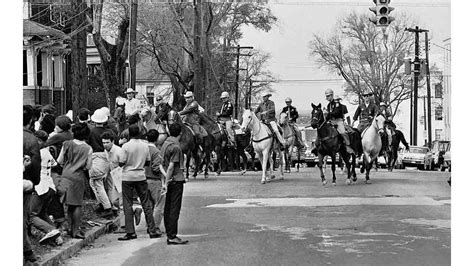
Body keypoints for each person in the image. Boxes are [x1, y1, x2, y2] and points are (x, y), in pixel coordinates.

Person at [118, 124, 161, 241]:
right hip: (141, 176)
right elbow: (148, 162)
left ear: (129, 134)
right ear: (139, 133)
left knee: (127, 204)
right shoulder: (145, 146)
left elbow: (121, 162)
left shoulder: (125, 146)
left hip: (127, 177)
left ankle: (130, 232)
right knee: (146, 203)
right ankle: (152, 230)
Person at [57, 123, 93, 239]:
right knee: (77, 204)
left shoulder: (67, 144)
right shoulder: (88, 148)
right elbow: (88, 166)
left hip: (66, 174)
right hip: (78, 176)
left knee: (68, 203)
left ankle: (69, 227)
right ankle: (76, 230)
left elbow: (59, 160)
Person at [30, 130, 62, 246]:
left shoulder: (38, 153)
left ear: (38, 140)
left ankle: (50, 230)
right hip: (50, 186)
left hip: (40, 187)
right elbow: (54, 164)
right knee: (42, 213)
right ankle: (56, 236)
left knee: (31, 215)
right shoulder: (47, 152)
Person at [161, 123, 188, 245]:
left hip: (168, 179)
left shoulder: (165, 143)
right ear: (181, 133)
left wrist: (164, 180)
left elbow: (162, 164)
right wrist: (167, 181)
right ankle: (172, 235)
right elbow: (171, 166)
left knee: (168, 207)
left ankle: (169, 233)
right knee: (174, 208)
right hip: (175, 179)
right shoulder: (176, 147)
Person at [87, 109, 117, 218]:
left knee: (96, 182)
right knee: (109, 183)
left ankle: (106, 206)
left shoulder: (92, 132)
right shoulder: (109, 132)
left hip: (97, 157)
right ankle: (113, 205)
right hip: (109, 157)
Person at [23, 105, 42, 263]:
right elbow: (35, 163)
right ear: (31, 120)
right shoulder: (30, 139)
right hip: (25, 182)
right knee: (23, 217)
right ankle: (28, 252)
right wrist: (35, 181)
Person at [145, 129, 167, 234]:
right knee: (159, 204)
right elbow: (156, 167)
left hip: (143, 180)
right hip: (154, 180)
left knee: (148, 205)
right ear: (157, 139)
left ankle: (149, 226)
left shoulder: (143, 149)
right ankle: (155, 227)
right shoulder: (156, 152)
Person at [323, 90, 355, 154]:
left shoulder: (338, 105)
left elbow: (336, 113)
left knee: (343, 132)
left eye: (328, 96)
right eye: (326, 96)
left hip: (338, 121)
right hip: (331, 121)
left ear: (332, 95)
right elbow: (328, 116)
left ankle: (348, 145)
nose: (327, 98)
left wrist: (328, 113)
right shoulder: (328, 105)